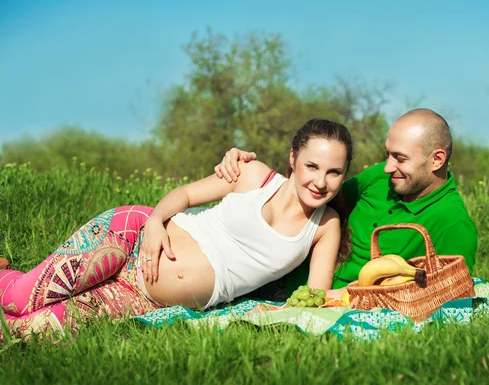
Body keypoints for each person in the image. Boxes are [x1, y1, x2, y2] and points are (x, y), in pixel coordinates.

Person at [0, 118, 353, 339]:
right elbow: (184, 195)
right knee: (18, 299)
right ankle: (9, 278)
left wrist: (361, 294)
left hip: (142, 299)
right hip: (131, 239)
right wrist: (154, 221)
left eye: (334, 172)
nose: (320, 181)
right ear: (293, 158)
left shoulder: (325, 226)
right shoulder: (252, 174)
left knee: (26, 330)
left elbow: (314, 299)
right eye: (312, 166)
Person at [215, 108, 478, 296]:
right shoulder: (383, 177)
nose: (387, 167)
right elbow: (318, 196)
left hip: (322, 299)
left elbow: (446, 295)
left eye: (400, 158)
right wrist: (248, 171)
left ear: (437, 160)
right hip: (274, 267)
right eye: (387, 155)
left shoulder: (453, 223)